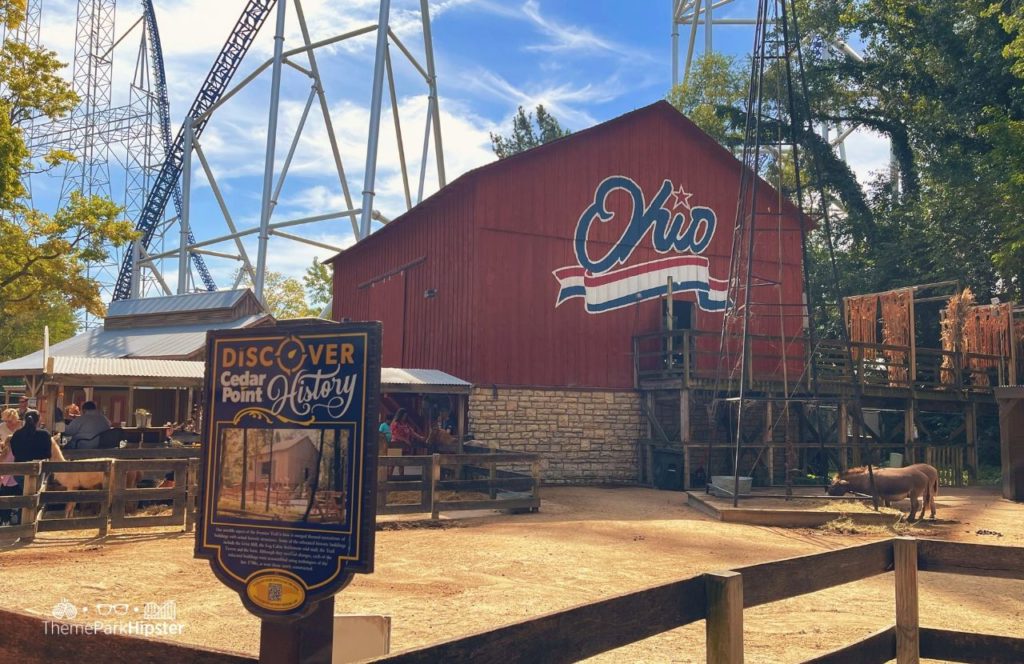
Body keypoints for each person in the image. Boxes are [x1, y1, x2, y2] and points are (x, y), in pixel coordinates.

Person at [0, 408, 22, 525]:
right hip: (6, 454)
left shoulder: (21, 427)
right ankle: (5, 519)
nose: (8, 423)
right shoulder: (1, 427)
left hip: (17, 456)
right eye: (6, 420)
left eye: (10, 421)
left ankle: (14, 517)